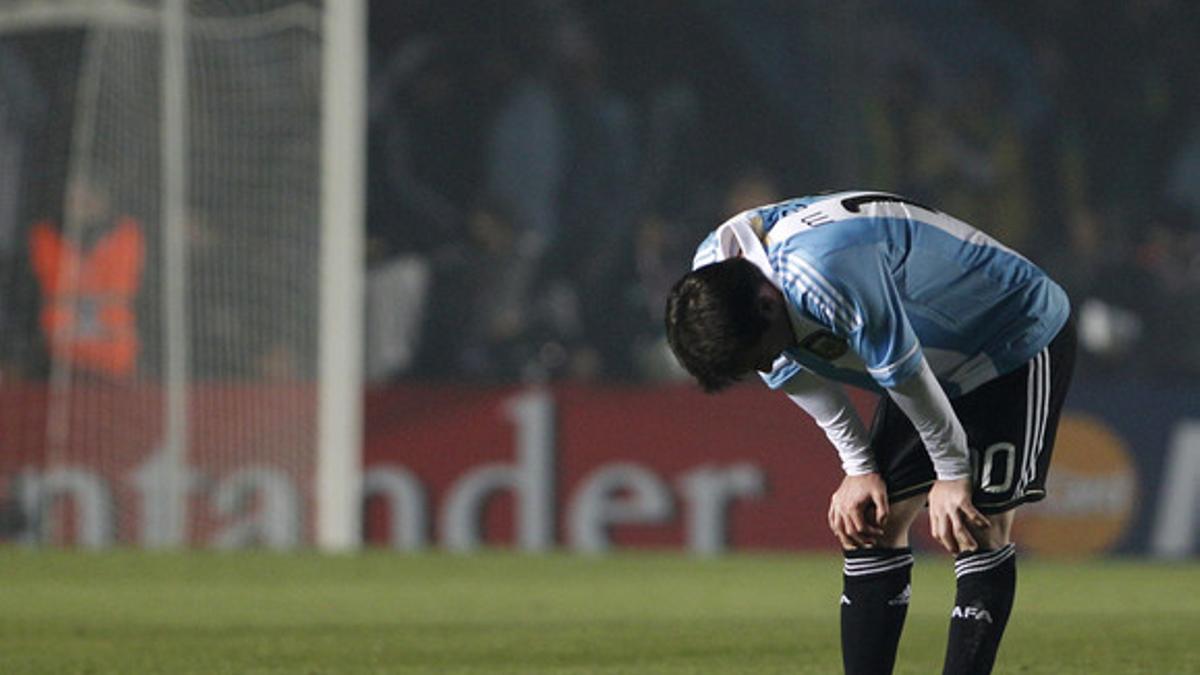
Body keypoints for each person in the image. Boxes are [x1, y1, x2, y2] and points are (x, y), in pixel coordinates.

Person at [664, 190, 1076, 675]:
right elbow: (795, 371)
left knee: (974, 524)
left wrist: (952, 473)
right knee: (871, 525)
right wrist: (858, 468)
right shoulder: (717, 279)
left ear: (769, 304)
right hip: (929, 358)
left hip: (1012, 334)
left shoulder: (823, 271)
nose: (769, 366)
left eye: (760, 355)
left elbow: (903, 374)